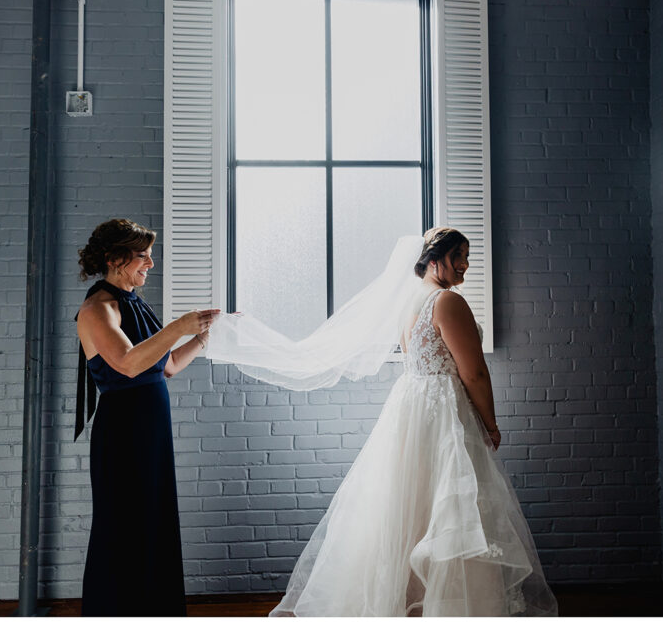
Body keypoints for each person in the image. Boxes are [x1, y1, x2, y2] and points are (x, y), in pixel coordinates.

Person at [209, 227, 557, 616]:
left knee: (408, 509)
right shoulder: (447, 301)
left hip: (412, 410)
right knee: (448, 508)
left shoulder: (411, 302)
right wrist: (490, 424)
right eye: (460, 255)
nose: (466, 264)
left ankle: (406, 604)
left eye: (467, 255)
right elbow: (473, 373)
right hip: (444, 414)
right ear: (436, 258)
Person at [74, 218, 219, 616]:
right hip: (123, 431)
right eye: (143, 257)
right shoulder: (97, 309)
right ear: (116, 259)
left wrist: (201, 336)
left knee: (153, 519)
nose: (150, 265)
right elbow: (128, 364)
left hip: (152, 428)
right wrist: (176, 326)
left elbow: (167, 365)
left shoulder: (134, 302)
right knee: (123, 523)